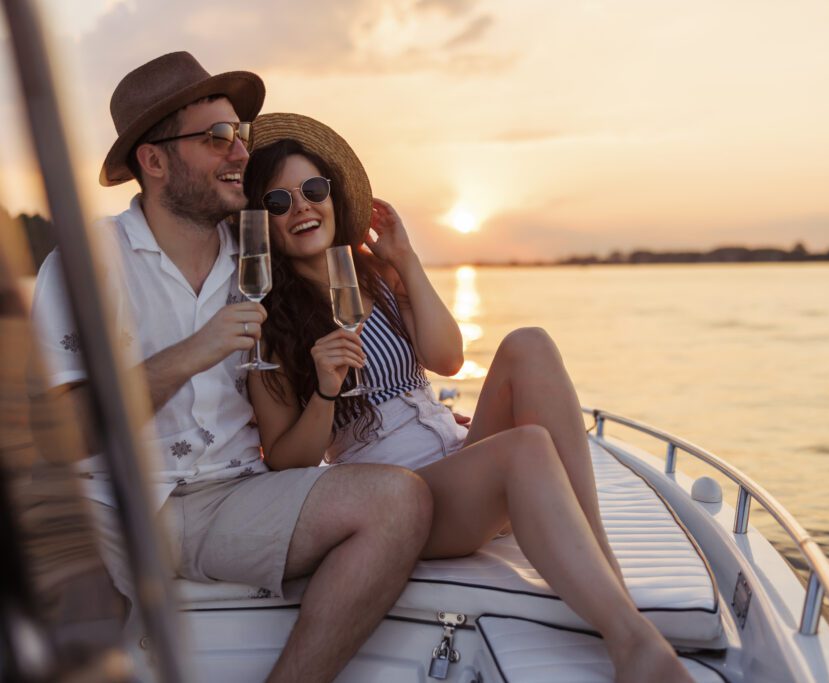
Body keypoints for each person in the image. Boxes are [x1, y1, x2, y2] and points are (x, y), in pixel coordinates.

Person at [242, 112, 694, 683]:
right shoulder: (269, 324)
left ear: (333, 197)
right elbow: (287, 460)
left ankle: (611, 586)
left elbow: (448, 358)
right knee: (527, 447)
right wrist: (325, 389)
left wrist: (405, 261)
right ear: (264, 224)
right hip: (405, 498)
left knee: (529, 344)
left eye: (312, 190)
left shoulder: (374, 278)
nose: (302, 207)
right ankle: (634, 645)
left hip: (458, 459)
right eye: (279, 202)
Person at [31, 52, 432, 683]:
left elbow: (346, 321)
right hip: (112, 508)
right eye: (217, 138)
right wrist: (192, 353)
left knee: (398, 502)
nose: (241, 151)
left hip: (235, 497)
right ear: (154, 161)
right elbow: (62, 435)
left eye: (239, 134)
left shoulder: (258, 255)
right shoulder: (88, 263)